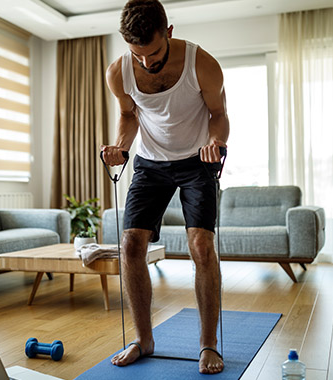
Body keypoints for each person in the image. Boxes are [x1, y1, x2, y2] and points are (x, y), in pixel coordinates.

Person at [100, 0, 229, 374]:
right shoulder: (118, 73)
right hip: (151, 163)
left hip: (196, 160)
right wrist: (121, 148)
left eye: (154, 53)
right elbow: (128, 116)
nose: (146, 63)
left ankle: (208, 345)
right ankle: (144, 339)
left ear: (169, 33)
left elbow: (219, 115)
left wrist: (216, 143)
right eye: (137, 55)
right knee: (130, 243)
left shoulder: (202, 64)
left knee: (202, 246)